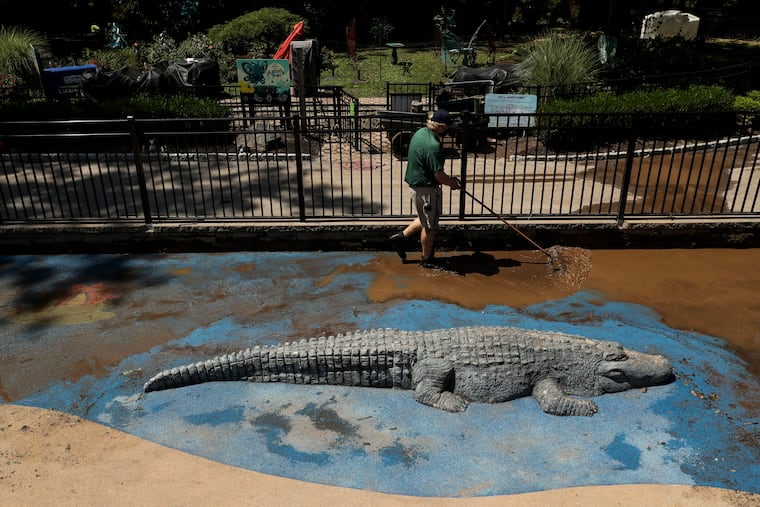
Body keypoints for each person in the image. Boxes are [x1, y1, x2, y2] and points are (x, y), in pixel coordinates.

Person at [390, 109, 461, 269]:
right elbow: (439, 176)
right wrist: (452, 184)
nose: (449, 131)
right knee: (429, 227)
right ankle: (427, 259)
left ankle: (400, 238)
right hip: (426, 188)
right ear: (440, 127)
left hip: (416, 185)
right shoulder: (433, 145)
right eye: (448, 128)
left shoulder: (421, 132)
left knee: (426, 218)